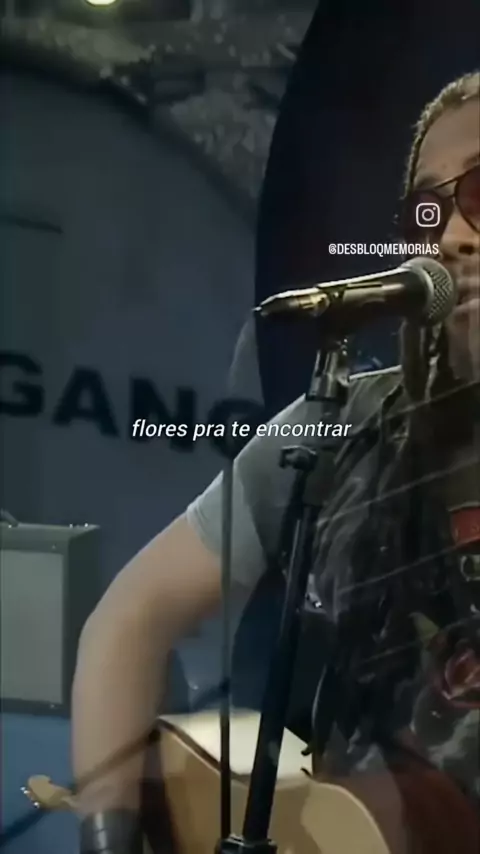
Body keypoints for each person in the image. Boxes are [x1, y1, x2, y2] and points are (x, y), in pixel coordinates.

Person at [72, 71, 480, 853]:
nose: (450, 237)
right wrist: (107, 834)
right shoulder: (344, 426)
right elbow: (129, 620)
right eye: (427, 212)